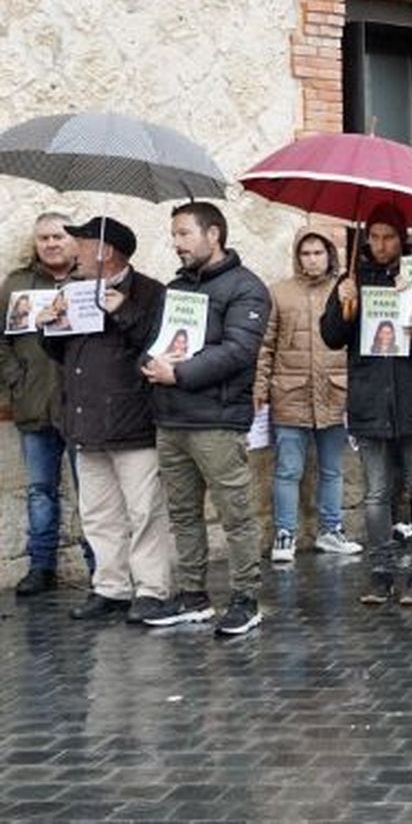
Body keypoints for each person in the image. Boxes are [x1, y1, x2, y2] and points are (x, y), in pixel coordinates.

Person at [139, 202, 271, 636]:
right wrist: (150, 362)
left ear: (213, 235)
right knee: (183, 514)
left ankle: (246, 597)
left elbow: (238, 351)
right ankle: (193, 595)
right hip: (171, 419)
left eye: (183, 234)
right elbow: (155, 341)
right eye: (174, 235)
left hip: (217, 420)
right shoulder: (175, 289)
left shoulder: (246, 288)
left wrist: (178, 373)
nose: (176, 243)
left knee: (235, 513)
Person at [41, 217, 173, 622]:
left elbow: (159, 346)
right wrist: (52, 326)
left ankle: (152, 589)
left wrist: (124, 311)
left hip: (133, 422)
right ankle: (110, 587)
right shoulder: (75, 290)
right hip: (86, 419)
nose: (71, 250)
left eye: (78, 242)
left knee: (145, 512)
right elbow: (67, 356)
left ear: (105, 251)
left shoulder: (151, 292)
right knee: (98, 513)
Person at [322, 203, 412, 607]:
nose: (379, 245)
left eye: (388, 237)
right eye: (373, 237)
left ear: (401, 237)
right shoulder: (353, 277)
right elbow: (332, 337)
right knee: (376, 493)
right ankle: (381, 569)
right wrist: (343, 303)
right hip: (370, 400)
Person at [254, 227, 360, 564]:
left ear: (330, 254)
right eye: (305, 253)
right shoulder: (279, 293)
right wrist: (259, 387)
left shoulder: (343, 291)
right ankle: (285, 533)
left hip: (334, 390)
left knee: (332, 469)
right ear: (297, 257)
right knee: (288, 470)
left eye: (318, 252)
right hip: (290, 392)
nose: (312, 259)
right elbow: (265, 346)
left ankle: (331, 529)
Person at [0, 213, 78, 596]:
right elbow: (1, 340)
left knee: (92, 490)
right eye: (43, 238)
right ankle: (41, 566)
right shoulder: (16, 284)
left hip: (83, 404)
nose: (50, 243)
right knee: (40, 489)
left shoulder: (88, 282)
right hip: (33, 401)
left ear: (73, 240)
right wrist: (16, 377)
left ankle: (102, 567)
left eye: (58, 236)